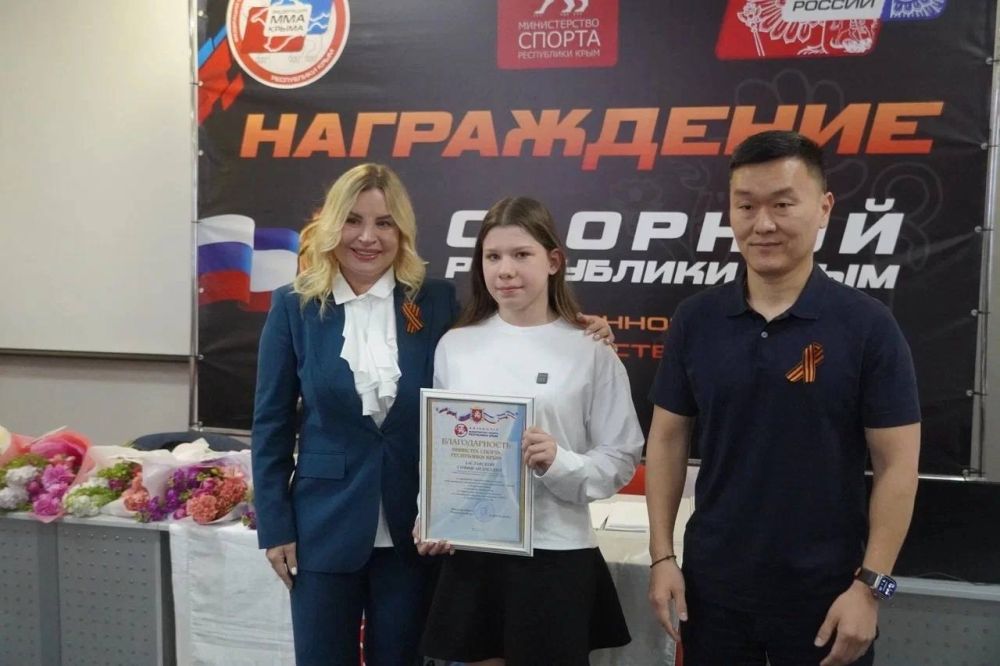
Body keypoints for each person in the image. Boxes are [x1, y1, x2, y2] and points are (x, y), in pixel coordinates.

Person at [251, 164, 614, 665]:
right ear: (332, 224)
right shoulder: (294, 307)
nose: (368, 237)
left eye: (384, 223)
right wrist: (275, 527)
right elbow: (270, 425)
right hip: (321, 526)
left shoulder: (434, 299)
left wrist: (581, 327)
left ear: (402, 231)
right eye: (354, 220)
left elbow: (507, 335)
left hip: (418, 530)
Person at [645, 131, 921, 666]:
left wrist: (871, 588)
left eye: (782, 205)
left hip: (828, 593)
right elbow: (667, 439)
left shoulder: (868, 326)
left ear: (823, 209)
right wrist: (662, 557)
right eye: (746, 206)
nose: (763, 224)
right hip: (713, 589)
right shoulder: (696, 320)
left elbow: (898, 466)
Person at [418, 196, 644, 666]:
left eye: (521, 254)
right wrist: (431, 515)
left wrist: (559, 461)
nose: (506, 270)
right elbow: (437, 448)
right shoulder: (455, 346)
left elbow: (621, 456)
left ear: (553, 261)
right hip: (472, 549)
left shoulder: (590, 349)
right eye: (493, 256)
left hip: (555, 550)